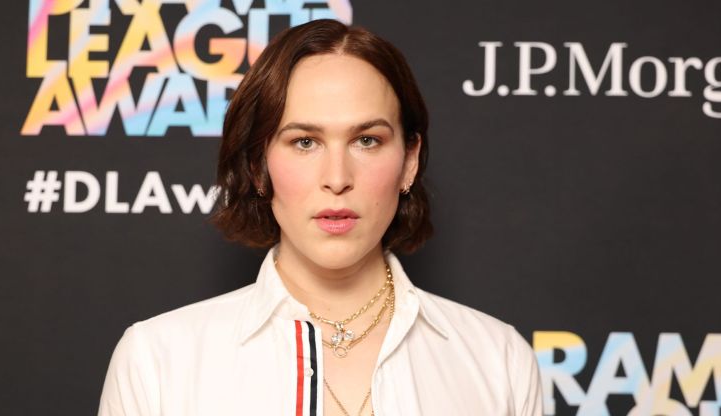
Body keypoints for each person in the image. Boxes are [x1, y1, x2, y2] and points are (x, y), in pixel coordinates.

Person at [97, 19, 543, 416]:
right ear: (258, 165)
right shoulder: (158, 360)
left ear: (409, 160)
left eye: (366, 140)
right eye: (305, 142)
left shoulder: (497, 359)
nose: (337, 178)